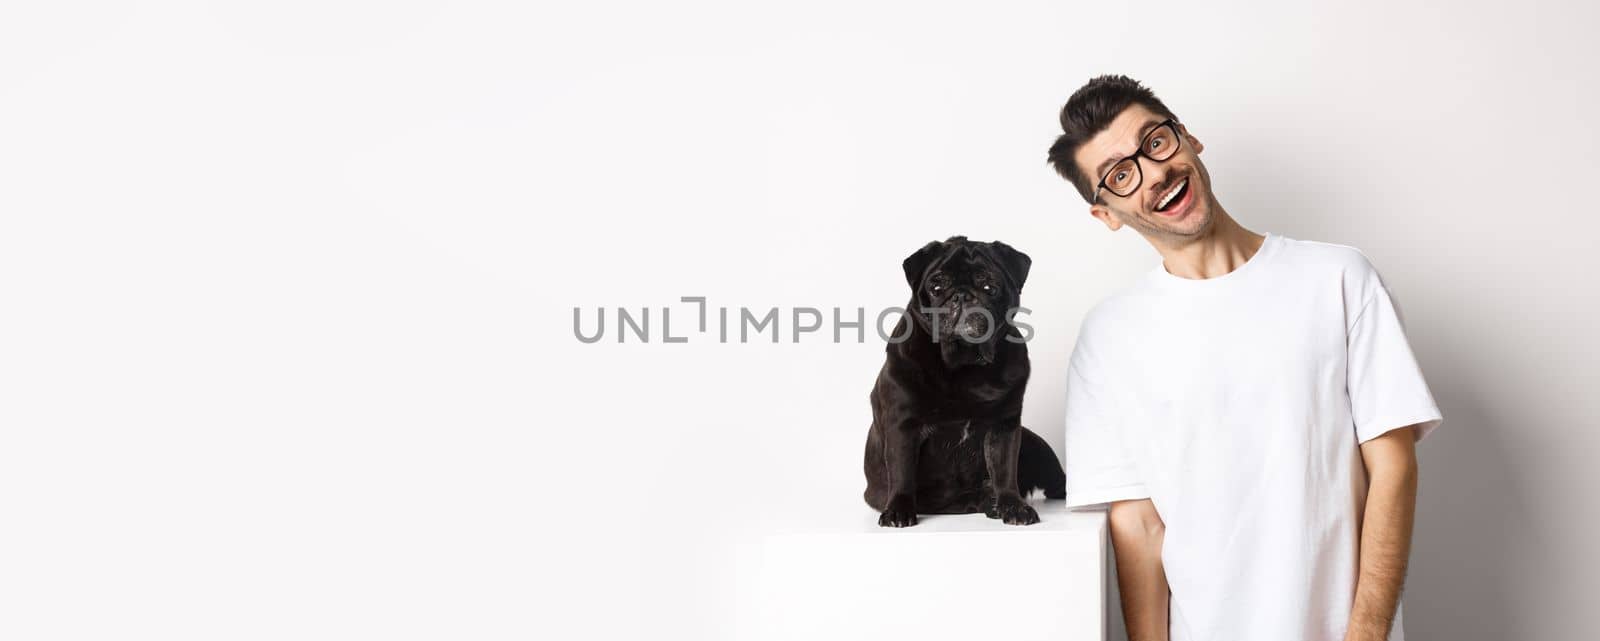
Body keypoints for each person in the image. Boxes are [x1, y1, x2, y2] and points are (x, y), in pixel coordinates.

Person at [1045, 75, 1442, 641]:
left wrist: (1367, 634)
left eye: (1155, 143)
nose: (1155, 173)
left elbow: (1393, 466)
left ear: (1187, 138)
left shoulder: (1338, 278)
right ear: (1106, 213)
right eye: (1121, 175)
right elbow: (1137, 526)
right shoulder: (1107, 338)